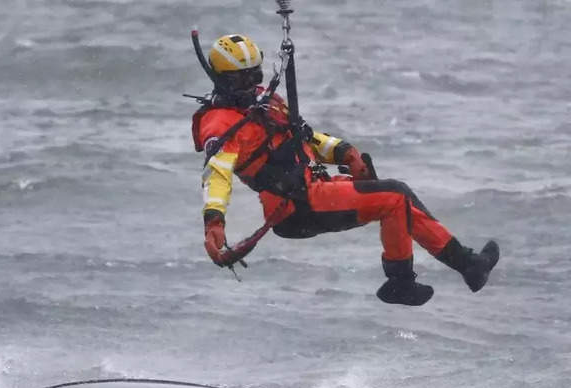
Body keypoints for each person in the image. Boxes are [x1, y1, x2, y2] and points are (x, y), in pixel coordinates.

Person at [190, 34, 500, 306]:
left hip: (315, 190)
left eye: (254, 75)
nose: (250, 85)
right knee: (394, 197)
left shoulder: (266, 103)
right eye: (241, 80)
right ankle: (401, 282)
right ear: (222, 79)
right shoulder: (219, 122)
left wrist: (343, 151)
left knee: (401, 201)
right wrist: (214, 221)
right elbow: (217, 175)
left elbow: (303, 137)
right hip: (295, 206)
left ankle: (469, 266)